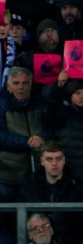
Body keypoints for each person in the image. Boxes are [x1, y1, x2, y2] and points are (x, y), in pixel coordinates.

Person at [0, 67, 49, 201]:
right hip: (7, 175)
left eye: (25, 83)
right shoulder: (2, 104)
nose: (21, 87)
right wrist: (27, 142)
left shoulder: (41, 103)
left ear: (30, 85)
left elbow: (53, 127)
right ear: (8, 86)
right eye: (16, 83)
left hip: (35, 174)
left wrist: (42, 138)